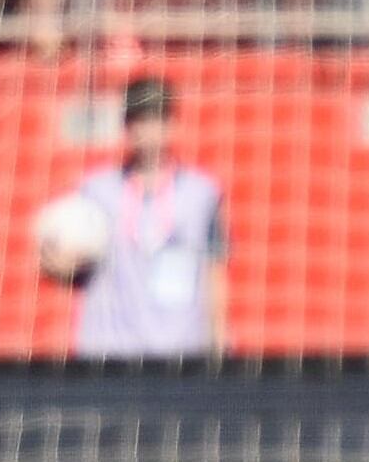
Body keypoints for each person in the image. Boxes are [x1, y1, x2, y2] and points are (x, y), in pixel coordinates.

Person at [39, 78, 230, 360]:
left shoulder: (202, 193)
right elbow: (72, 268)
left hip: (181, 353)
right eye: (139, 120)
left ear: (172, 124)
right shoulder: (96, 191)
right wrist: (58, 264)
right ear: (127, 126)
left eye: (156, 119)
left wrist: (219, 341)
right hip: (110, 353)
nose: (148, 131)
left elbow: (214, 269)